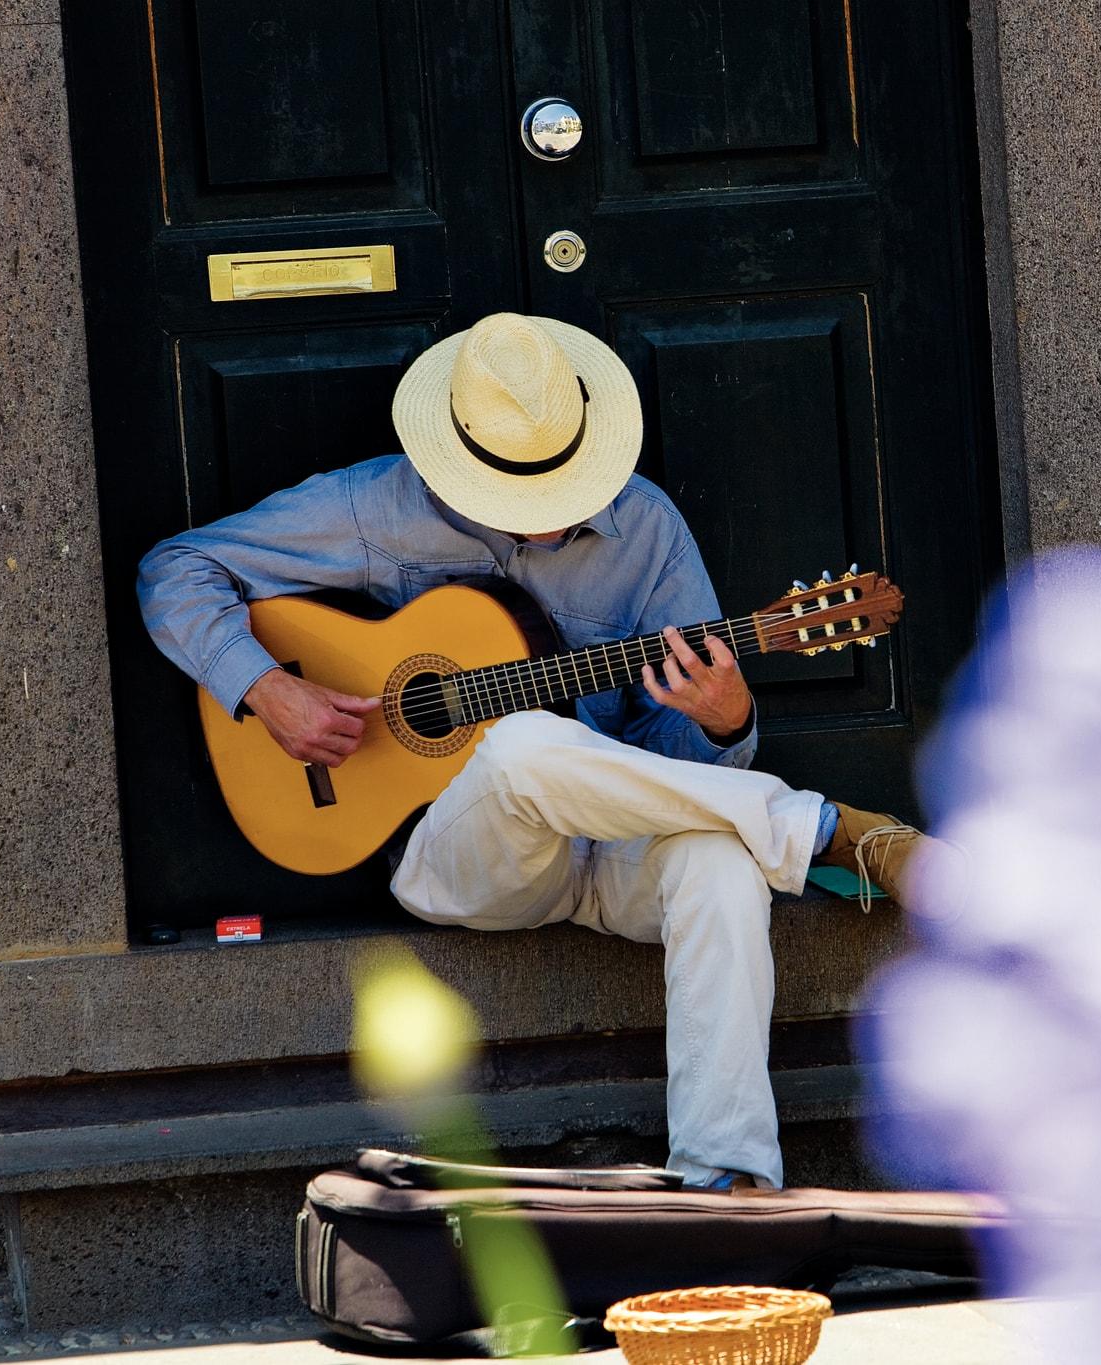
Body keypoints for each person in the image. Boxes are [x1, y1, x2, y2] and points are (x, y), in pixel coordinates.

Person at [137, 312, 930, 1190]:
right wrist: (265, 686)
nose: (551, 521)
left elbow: (677, 773)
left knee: (718, 863)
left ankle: (727, 1181)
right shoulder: (376, 505)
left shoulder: (646, 529)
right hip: (467, 860)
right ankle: (830, 832)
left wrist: (720, 718)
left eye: (564, 491)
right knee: (518, 746)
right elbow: (176, 568)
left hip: (616, 848)